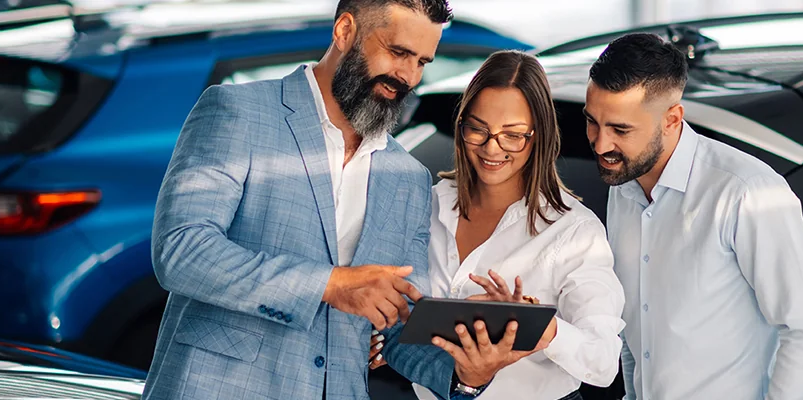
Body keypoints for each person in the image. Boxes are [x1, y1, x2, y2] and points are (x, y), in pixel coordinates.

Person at [143, 1, 532, 399]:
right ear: (345, 31)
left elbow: (396, 327)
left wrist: (468, 364)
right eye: (398, 53)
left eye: (422, 62)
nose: (407, 76)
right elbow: (181, 251)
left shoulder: (409, 178)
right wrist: (331, 285)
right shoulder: (237, 112)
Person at [583, 33, 803, 400]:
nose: (601, 144)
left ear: (672, 119)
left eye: (621, 130)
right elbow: (638, 331)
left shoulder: (747, 191)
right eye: (593, 122)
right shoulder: (622, 187)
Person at [368, 50, 625, 400]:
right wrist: (376, 339)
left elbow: (604, 361)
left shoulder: (575, 232)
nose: (492, 148)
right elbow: (392, 312)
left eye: (513, 135)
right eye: (479, 130)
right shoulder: (424, 205)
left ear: (539, 136)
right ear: (462, 127)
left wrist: (542, 327)